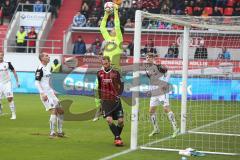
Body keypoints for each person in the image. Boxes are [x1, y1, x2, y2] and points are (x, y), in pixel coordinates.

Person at [145, 53, 179, 138]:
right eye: (147, 57)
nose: (148, 59)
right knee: (151, 111)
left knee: (166, 108)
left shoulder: (159, 67)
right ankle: (156, 129)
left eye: (149, 58)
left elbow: (168, 72)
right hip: (154, 92)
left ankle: (176, 128)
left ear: (153, 59)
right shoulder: (147, 69)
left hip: (162, 91)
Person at [35, 52, 64, 137]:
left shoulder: (46, 68)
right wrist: (42, 93)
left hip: (50, 93)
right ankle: (52, 132)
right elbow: (37, 82)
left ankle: (59, 131)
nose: (48, 57)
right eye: (46, 56)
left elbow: (47, 81)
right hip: (45, 94)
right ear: (42, 58)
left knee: (61, 111)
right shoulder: (40, 68)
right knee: (54, 111)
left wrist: (53, 91)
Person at [97, 56, 124, 146]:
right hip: (106, 101)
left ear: (109, 62)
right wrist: (100, 98)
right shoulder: (99, 73)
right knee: (109, 119)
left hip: (116, 100)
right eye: (103, 63)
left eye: (106, 63)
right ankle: (118, 138)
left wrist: (119, 94)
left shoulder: (116, 72)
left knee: (120, 121)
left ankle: (116, 136)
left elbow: (122, 83)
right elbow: (99, 87)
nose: (105, 65)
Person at [100, 4, 124, 71]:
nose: (111, 29)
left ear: (117, 31)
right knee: (99, 81)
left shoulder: (119, 39)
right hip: (104, 67)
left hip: (114, 68)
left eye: (113, 29)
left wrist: (115, 11)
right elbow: (102, 28)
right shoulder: (108, 38)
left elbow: (117, 25)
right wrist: (106, 14)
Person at [0, 52, 20, 119]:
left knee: (9, 98)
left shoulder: (7, 64)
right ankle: (0, 108)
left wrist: (17, 81)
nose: (0, 57)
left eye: (1, 55)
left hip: (7, 83)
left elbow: (14, 71)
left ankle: (13, 114)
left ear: (3, 56)